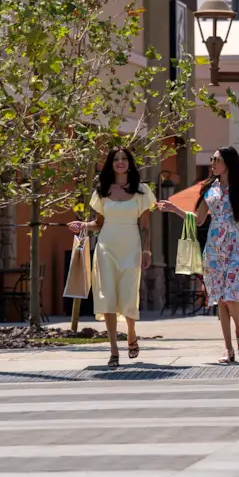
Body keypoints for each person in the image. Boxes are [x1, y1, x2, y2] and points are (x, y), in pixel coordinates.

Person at [159, 146, 239, 364]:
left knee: (231, 294)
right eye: (212, 159)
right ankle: (228, 348)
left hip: (237, 244)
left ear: (228, 163)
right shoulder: (208, 188)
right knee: (220, 299)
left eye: (216, 159)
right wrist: (174, 209)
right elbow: (199, 219)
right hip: (214, 247)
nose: (212, 163)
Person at [67, 145, 156, 369]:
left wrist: (146, 250)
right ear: (111, 163)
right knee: (106, 297)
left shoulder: (141, 190)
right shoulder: (102, 190)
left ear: (129, 163)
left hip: (131, 248)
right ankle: (114, 350)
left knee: (128, 295)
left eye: (124, 158)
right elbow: (98, 224)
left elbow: (145, 226)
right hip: (106, 248)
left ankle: (132, 334)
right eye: (116, 159)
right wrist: (82, 225)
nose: (120, 162)